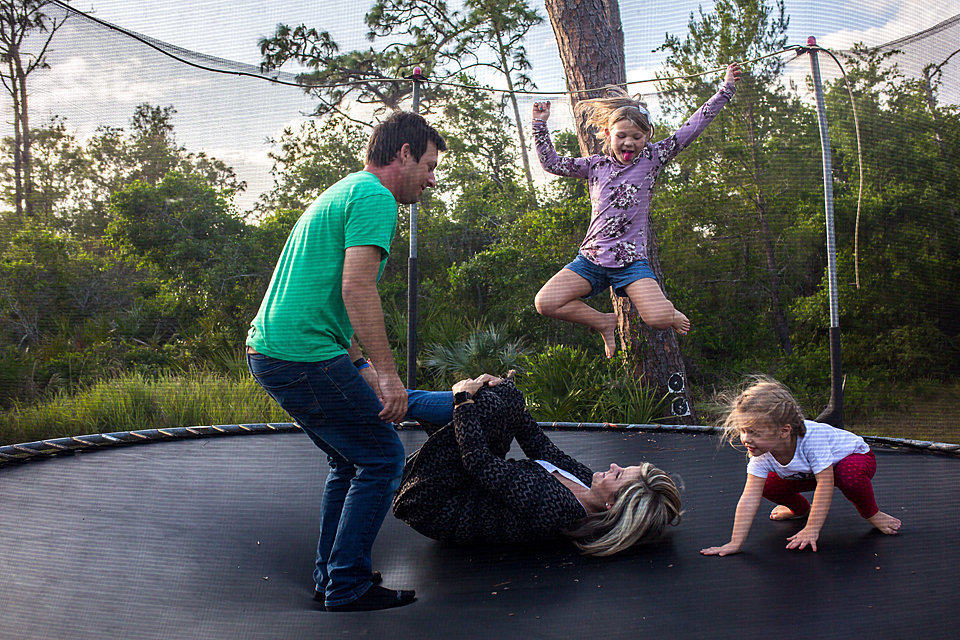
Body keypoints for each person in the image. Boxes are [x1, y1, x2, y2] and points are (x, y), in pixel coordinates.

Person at [246, 111, 446, 612]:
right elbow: (356, 289)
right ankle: (348, 583)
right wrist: (388, 375)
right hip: (302, 355)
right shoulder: (378, 198)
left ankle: (331, 576)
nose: (431, 178)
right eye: (428, 164)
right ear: (403, 154)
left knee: (349, 459)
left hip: (276, 351)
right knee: (382, 457)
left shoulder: (345, 190)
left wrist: (358, 365)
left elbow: (328, 299)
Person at [531, 63, 742, 357]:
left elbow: (692, 128)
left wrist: (725, 91)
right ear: (608, 133)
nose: (629, 142)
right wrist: (540, 124)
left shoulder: (652, 159)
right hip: (592, 259)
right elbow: (552, 164)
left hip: (631, 262)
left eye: (637, 137)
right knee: (546, 302)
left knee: (657, 319)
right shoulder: (595, 165)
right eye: (621, 136)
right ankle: (604, 322)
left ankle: (668, 311)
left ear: (647, 137)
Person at [393, 374, 682, 556]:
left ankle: (385, 397)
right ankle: (396, 399)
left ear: (612, 506)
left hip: (432, 502)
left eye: (618, 476)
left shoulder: (555, 510)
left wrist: (462, 399)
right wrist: (507, 389)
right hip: (464, 481)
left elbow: (479, 463)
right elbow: (538, 444)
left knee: (486, 405)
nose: (614, 465)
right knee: (502, 397)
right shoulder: (585, 484)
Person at [700, 378, 901, 557]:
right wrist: (735, 542)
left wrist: (812, 528)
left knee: (848, 476)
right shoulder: (761, 452)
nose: (745, 439)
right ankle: (799, 509)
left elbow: (825, 483)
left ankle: (872, 513)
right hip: (809, 471)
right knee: (767, 485)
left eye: (754, 433)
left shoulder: (812, 440)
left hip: (854, 459)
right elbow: (750, 496)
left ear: (784, 431)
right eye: (743, 431)